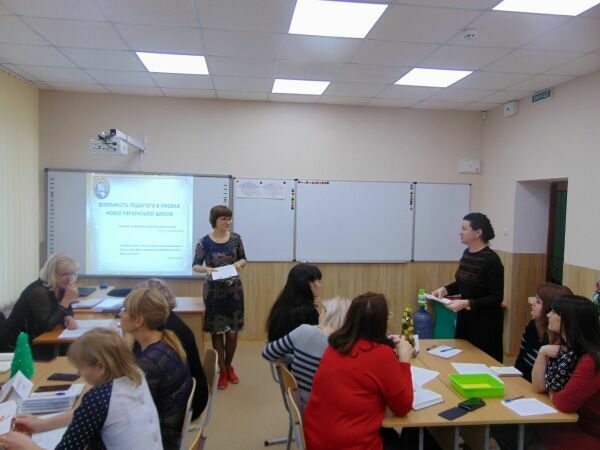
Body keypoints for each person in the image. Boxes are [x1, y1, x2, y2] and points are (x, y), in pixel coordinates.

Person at [0, 328, 162, 450]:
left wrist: (27, 446)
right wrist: (42, 424)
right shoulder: (136, 375)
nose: (78, 373)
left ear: (100, 367)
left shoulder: (99, 398)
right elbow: (84, 416)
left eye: (81, 368)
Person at [304, 292, 414, 450]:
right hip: (348, 445)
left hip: (316, 440)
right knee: (402, 438)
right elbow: (402, 407)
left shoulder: (334, 345)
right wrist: (404, 361)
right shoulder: (382, 355)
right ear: (382, 322)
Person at [120, 288, 193, 450]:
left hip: (159, 439)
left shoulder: (150, 362)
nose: (120, 314)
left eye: (124, 310)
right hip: (165, 427)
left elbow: (125, 407)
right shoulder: (164, 339)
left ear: (139, 321)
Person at [431, 212, 505, 362]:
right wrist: (445, 289)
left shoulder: (492, 260)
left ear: (477, 233)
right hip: (465, 320)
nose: (460, 232)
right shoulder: (467, 253)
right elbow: (462, 283)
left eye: (464, 229)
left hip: (485, 324)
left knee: (481, 363)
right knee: (462, 359)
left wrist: (467, 303)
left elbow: (496, 297)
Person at [134, 278, 208, 420]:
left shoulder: (164, 331)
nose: (123, 313)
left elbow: (135, 375)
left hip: (189, 405)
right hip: (191, 395)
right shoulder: (167, 322)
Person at [192, 205, 247, 390]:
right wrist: (207, 269)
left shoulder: (236, 239)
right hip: (214, 292)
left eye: (229, 218)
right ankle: (222, 371)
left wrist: (239, 264)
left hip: (234, 292)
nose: (227, 222)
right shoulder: (204, 242)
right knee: (217, 333)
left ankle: (229, 366)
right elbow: (195, 265)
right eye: (223, 218)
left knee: (232, 333)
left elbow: (244, 258)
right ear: (214, 220)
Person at [262, 296, 351, 406]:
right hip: (323, 409)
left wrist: (297, 358)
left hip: (298, 405)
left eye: (321, 310)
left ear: (327, 313)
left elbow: (268, 352)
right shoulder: (345, 346)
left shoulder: (303, 331)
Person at [0, 253, 79, 353]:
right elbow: (45, 327)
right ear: (51, 273)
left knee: (74, 346)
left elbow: (67, 310)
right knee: (69, 349)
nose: (70, 278)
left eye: (72, 274)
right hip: (18, 345)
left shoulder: (60, 287)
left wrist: (68, 317)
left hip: (36, 339)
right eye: (65, 274)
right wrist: (66, 300)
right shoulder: (39, 291)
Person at [514, 283, 573, 382]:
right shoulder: (532, 326)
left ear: (549, 308)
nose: (532, 303)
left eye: (538, 302)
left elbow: (551, 380)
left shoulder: (562, 341)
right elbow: (520, 362)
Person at [265, 263, 322, 342]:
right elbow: (316, 342)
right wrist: (320, 317)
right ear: (310, 285)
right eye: (318, 281)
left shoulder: (280, 306)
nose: (320, 286)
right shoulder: (308, 312)